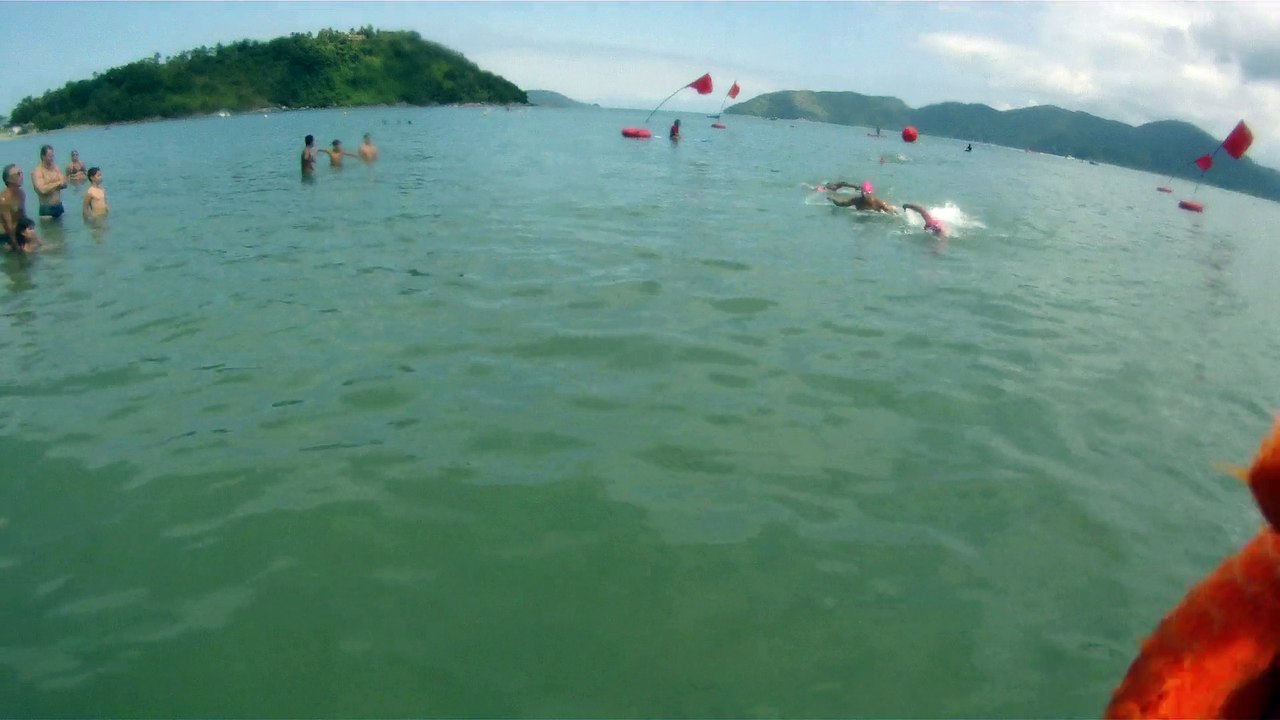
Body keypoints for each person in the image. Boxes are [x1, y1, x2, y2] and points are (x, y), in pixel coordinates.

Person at [32, 144, 68, 219]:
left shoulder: (56, 168)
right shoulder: (38, 172)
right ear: (43, 156)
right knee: (49, 230)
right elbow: (42, 190)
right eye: (50, 156)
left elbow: (64, 184)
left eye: (53, 156)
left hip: (59, 207)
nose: (52, 158)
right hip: (47, 209)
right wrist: (58, 183)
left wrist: (51, 185)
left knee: (63, 231)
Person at [826, 180, 897, 214]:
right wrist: (833, 200)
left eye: (866, 194)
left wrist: (893, 210)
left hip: (873, 222)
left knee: (891, 207)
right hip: (860, 221)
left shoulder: (879, 202)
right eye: (864, 193)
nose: (865, 195)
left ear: (871, 193)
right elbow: (842, 204)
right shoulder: (857, 200)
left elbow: (892, 213)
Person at [0, 164, 27, 252]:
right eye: (18, 174)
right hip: (4, 236)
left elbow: (23, 218)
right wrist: (16, 246)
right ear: (8, 179)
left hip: (17, 232)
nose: (22, 176)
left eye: (21, 173)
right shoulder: (3, 200)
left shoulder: (21, 194)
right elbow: (8, 226)